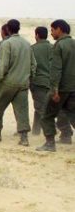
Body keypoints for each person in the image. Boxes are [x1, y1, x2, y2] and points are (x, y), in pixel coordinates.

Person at [0, 19, 36, 145]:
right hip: (23, 83)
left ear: (8, 29)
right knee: (22, 111)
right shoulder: (27, 43)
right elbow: (33, 65)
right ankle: (24, 138)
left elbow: (3, 65)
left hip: (8, 83)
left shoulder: (6, 44)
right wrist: (30, 79)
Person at [37, 20, 75, 151]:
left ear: (59, 29)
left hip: (62, 88)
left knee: (46, 115)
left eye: (52, 30)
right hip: (73, 88)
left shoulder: (59, 46)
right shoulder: (73, 43)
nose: (51, 33)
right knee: (73, 115)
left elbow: (56, 70)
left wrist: (54, 90)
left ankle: (49, 144)